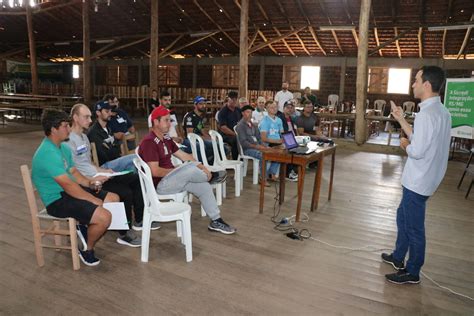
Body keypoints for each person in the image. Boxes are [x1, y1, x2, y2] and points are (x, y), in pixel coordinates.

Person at [382, 66, 451, 285]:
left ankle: (412, 271)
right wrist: (401, 119)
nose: (413, 84)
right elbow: (424, 140)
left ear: (427, 85)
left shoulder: (426, 115)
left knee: (413, 227)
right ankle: (398, 257)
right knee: (403, 216)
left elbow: (418, 150)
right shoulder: (442, 112)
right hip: (428, 178)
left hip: (418, 180)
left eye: (416, 80)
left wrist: (405, 145)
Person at [32, 108, 119, 266]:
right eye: (65, 126)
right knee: (104, 216)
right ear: (53, 129)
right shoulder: (47, 153)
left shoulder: (63, 147)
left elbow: (74, 172)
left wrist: (89, 183)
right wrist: (92, 199)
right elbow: (69, 185)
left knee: (113, 199)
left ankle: (83, 227)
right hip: (57, 200)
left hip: (68, 192)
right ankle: (87, 249)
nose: (69, 128)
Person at [139, 106, 236, 235]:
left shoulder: (166, 138)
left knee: (204, 186)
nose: (170, 123)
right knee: (188, 169)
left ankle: (216, 220)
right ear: (156, 122)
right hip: (160, 185)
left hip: (173, 180)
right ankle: (212, 177)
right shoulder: (149, 142)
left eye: (169, 120)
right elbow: (155, 171)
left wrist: (202, 167)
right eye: (166, 120)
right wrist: (177, 171)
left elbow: (184, 155)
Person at [67, 103, 153, 248]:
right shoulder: (68, 140)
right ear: (75, 118)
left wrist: (103, 171)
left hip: (98, 175)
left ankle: (140, 219)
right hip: (88, 182)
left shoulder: (83, 137)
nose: (90, 120)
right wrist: (93, 179)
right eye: (86, 117)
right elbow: (72, 170)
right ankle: (124, 233)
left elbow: (89, 163)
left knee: (134, 177)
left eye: (89, 116)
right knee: (124, 192)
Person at [235, 105, 280, 187]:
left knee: (274, 151)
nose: (250, 114)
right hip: (247, 149)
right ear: (243, 113)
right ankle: (262, 178)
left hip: (256, 146)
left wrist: (264, 146)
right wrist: (258, 147)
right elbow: (244, 143)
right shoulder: (240, 126)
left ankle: (271, 173)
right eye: (248, 112)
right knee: (263, 155)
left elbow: (259, 138)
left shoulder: (253, 124)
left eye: (251, 112)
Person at [87, 101, 136, 172]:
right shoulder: (94, 132)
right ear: (98, 113)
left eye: (110, 111)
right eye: (107, 111)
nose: (110, 113)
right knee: (134, 158)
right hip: (104, 166)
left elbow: (116, 146)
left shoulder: (108, 128)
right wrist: (117, 153)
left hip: (113, 162)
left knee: (134, 168)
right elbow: (103, 155)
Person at [182, 96, 215, 164]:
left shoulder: (200, 117)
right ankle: (202, 167)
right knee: (201, 146)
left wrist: (211, 138)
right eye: (200, 104)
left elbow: (202, 131)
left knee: (217, 145)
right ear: (195, 105)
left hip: (199, 138)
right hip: (189, 141)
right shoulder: (189, 116)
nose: (203, 105)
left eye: (204, 104)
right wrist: (204, 138)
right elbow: (190, 135)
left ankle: (208, 164)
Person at [276, 100, 299, 182]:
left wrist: (297, 138)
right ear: (283, 108)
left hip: (292, 138)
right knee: (292, 148)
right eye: (287, 108)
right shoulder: (280, 118)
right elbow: (281, 132)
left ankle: (294, 170)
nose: (289, 109)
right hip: (284, 138)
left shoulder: (291, 119)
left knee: (302, 147)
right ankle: (287, 173)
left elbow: (294, 130)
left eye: (291, 108)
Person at [217, 91, 242, 160]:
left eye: (235, 99)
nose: (234, 101)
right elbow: (223, 128)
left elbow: (242, 122)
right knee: (236, 140)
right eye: (232, 99)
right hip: (225, 135)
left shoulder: (238, 110)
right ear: (228, 99)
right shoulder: (223, 112)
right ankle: (236, 160)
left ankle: (243, 158)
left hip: (236, 133)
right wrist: (235, 134)